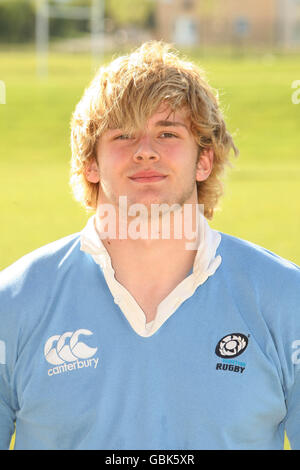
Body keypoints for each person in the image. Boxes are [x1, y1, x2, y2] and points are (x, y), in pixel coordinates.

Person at [0, 41, 299, 451]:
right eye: (123, 135)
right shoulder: (13, 303)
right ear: (91, 163)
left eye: (167, 133)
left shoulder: (286, 299)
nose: (145, 150)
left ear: (204, 161)